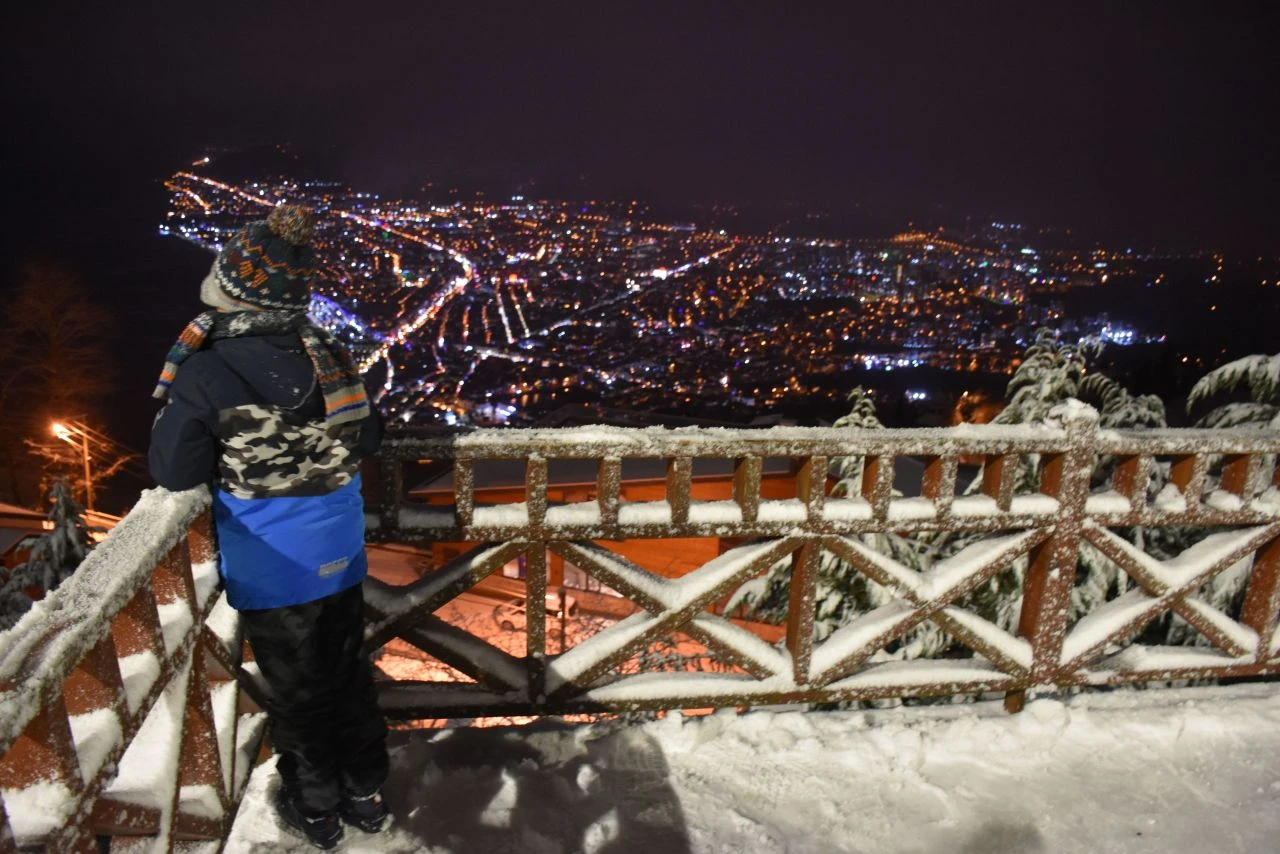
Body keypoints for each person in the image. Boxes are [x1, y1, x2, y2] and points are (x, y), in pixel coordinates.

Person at [149, 204, 388, 850]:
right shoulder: (328, 353)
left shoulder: (207, 370)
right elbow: (367, 436)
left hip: (274, 563)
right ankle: (367, 791)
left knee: (298, 692)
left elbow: (174, 472)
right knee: (347, 674)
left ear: (229, 290)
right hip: (340, 551)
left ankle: (317, 809)